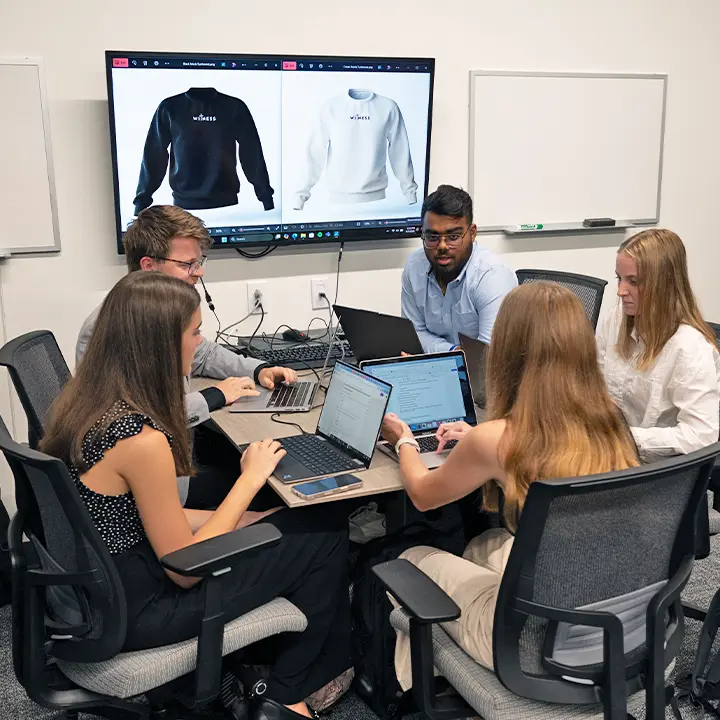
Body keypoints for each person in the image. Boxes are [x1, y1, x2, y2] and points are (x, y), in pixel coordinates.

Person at [43, 272, 350, 720]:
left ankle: (259, 665)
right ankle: (286, 693)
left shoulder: (86, 404)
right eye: (195, 331)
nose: (200, 341)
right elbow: (185, 569)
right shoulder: (141, 439)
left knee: (282, 520)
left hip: (103, 591)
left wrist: (246, 517)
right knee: (326, 529)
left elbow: (141, 516)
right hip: (144, 610)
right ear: (162, 344)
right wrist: (249, 479)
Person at [381, 282, 638, 685]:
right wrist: (479, 439)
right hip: (618, 624)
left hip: (533, 648)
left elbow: (422, 494)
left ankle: (422, 688)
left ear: (508, 350)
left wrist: (406, 440)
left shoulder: (498, 439)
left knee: (409, 558)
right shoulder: (612, 419)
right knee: (481, 546)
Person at [76, 206, 297, 509]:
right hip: (159, 485)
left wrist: (258, 368)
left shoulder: (158, 316)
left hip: (171, 458)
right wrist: (214, 396)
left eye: (199, 262)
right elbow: (136, 423)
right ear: (149, 266)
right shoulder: (114, 328)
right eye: (188, 264)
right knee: (278, 483)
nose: (199, 272)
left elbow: (204, 354)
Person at [596, 229, 720, 464]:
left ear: (664, 285)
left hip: (659, 474)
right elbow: (597, 385)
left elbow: (700, 436)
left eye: (633, 282)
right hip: (614, 456)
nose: (621, 291)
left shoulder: (689, 348)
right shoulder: (616, 320)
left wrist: (626, 438)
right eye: (619, 279)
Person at [400, 184, 517, 352]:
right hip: (439, 369)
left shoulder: (492, 277)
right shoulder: (415, 267)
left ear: (472, 233)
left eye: (453, 237)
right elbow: (415, 334)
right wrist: (452, 352)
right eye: (432, 236)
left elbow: (488, 359)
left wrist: (444, 356)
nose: (442, 246)